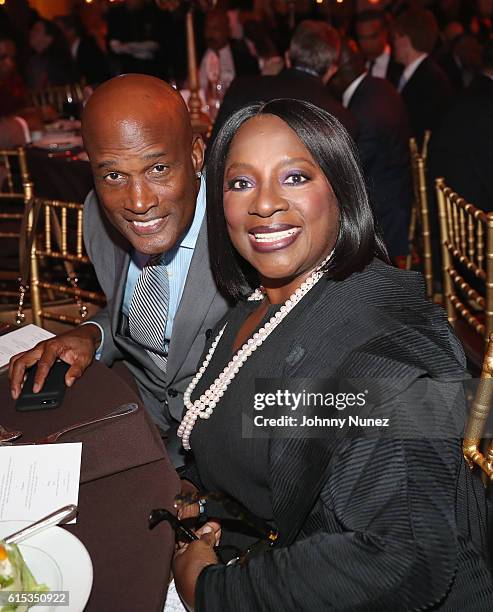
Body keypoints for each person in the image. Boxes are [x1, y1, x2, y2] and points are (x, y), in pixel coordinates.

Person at [171, 99, 493, 610]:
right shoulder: (263, 300)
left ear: (342, 191)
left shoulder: (386, 357)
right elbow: (267, 419)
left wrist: (214, 594)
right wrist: (197, 499)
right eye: (240, 183)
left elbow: (400, 558)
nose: (265, 204)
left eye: (295, 177)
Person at [8, 74, 229, 466]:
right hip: (139, 420)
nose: (138, 202)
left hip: (226, 446)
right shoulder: (97, 213)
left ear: (196, 155)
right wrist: (92, 334)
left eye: (158, 168)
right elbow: (142, 310)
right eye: (113, 175)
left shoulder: (243, 232)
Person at [209, 21, 357, 145]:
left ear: (287, 57)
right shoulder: (342, 119)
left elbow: (213, 157)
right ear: (332, 70)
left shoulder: (241, 88)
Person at [330, 40, 412, 260]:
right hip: (398, 192)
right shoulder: (379, 86)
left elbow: (353, 170)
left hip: (384, 213)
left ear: (339, 74)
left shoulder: (363, 112)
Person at [392, 8, 452, 146]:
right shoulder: (408, 74)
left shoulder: (431, 80)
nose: (392, 44)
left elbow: (424, 132)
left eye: (394, 38)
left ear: (405, 40)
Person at [54, 15, 112, 86]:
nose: (54, 36)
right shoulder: (62, 52)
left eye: (58, 31)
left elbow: (96, 77)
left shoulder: (88, 49)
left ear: (71, 31)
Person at [355, 9, 402, 86]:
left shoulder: (399, 63)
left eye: (372, 37)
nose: (367, 43)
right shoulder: (355, 63)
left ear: (385, 33)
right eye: (361, 38)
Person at [26, 18, 76, 90]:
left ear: (49, 38)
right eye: (32, 29)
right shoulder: (33, 61)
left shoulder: (58, 62)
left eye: (36, 30)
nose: (31, 32)